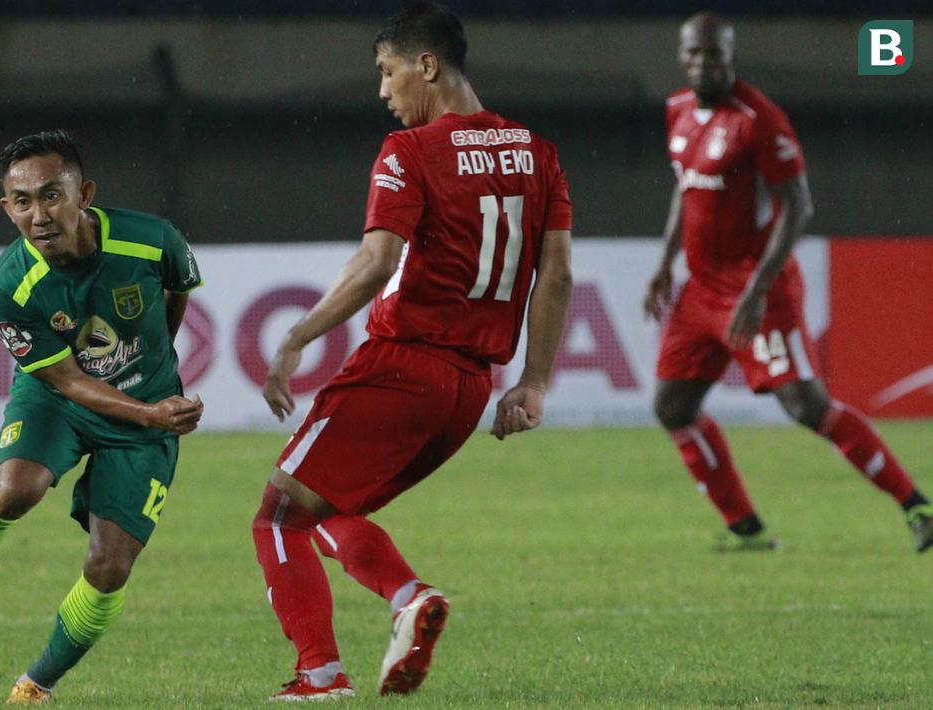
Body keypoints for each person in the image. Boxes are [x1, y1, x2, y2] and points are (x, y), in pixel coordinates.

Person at [251, 2, 573, 700]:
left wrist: (294, 339)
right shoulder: (537, 153)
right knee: (325, 508)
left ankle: (328, 664)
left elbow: (374, 263)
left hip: (403, 364)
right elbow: (557, 275)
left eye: (386, 71)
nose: (381, 90)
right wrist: (534, 382)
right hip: (468, 389)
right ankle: (400, 605)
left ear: (425, 65)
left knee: (276, 517)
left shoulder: (412, 152)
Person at [0, 129, 205, 704]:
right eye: (23, 202)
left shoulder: (154, 240)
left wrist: (155, 382)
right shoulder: (9, 283)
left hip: (144, 418)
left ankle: (36, 686)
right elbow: (65, 379)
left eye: (52, 195)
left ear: (84, 193)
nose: (39, 215)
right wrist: (150, 411)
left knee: (109, 567)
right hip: (59, 397)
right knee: (14, 489)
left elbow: (177, 294)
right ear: (7, 208)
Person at [644, 13, 932, 552]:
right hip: (700, 290)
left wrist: (756, 291)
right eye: (695, 54)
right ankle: (746, 530)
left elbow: (798, 205)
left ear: (732, 57)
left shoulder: (758, 119)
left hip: (758, 290)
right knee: (672, 406)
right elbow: (684, 189)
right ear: (682, 56)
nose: (705, 64)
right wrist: (665, 263)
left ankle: (916, 503)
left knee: (808, 407)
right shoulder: (678, 111)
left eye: (715, 54)